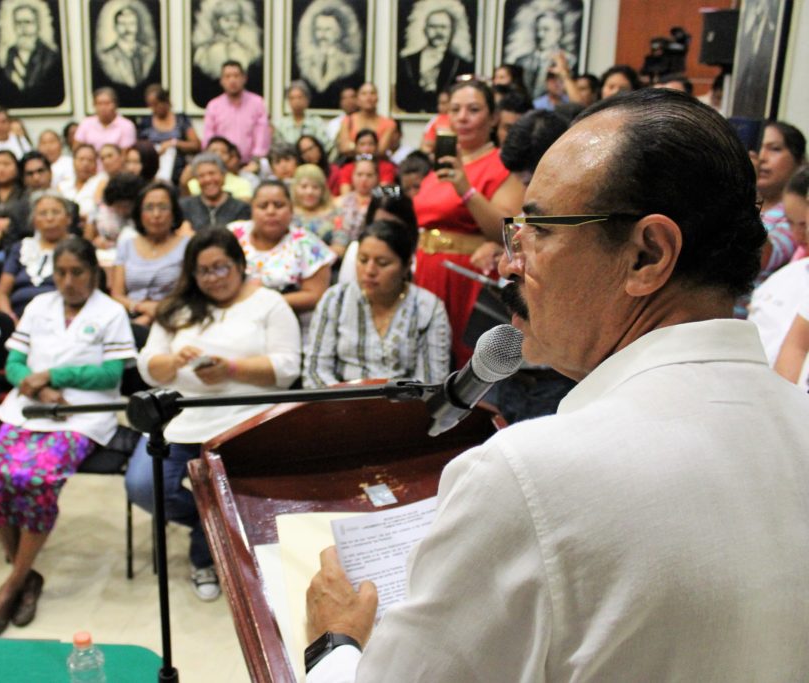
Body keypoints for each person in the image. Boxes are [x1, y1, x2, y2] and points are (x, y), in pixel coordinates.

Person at [304, 88, 809, 683]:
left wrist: (334, 642)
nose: (510, 263)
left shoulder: (528, 477)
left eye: (538, 229)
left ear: (647, 255)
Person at [127, 228, 301, 600]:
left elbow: (287, 368)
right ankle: (209, 530)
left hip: (243, 419)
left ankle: (207, 555)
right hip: (179, 419)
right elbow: (147, 366)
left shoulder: (269, 304)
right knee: (143, 486)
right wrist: (173, 362)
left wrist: (232, 370)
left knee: (230, 489)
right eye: (204, 271)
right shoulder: (177, 308)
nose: (214, 278)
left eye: (221, 267)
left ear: (240, 264)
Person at [0, 237, 135, 634]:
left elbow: (111, 375)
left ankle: (13, 583)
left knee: (36, 479)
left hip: (80, 414)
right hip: (28, 406)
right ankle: (27, 575)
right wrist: (30, 384)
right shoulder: (38, 306)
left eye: (77, 272)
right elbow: (14, 361)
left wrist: (54, 375)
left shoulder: (111, 312)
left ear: (94, 273)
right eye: (61, 273)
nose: (68, 281)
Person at [413, 78, 524, 367]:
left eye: (473, 109)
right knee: (427, 359)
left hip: (469, 277)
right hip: (427, 272)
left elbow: (509, 231)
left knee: (464, 364)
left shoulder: (499, 164)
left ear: (493, 117)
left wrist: (467, 189)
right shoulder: (442, 165)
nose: (462, 117)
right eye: (455, 109)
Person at [304, 219, 450, 388]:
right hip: (339, 406)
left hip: (403, 409)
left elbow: (431, 383)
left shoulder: (428, 307)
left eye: (382, 263)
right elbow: (315, 372)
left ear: (406, 266)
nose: (369, 271)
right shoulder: (335, 299)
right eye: (363, 260)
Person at [229, 180, 335, 326]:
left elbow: (316, 295)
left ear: (291, 209)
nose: (271, 211)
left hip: (289, 322)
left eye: (279, 205)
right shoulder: (233, 234)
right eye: (263, 206)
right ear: (252, 210)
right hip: (232, 317)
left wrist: (263, 302)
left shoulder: (308, 243)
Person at [738, 121, 806, 319]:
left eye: (774, 149)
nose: (762, 158)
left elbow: (762, 258)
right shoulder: (737, 204)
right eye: (759, 149)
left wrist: (746, 190)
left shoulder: (796, 215)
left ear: (800, 161)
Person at [110, 181, 191, 327]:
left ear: (174, 212)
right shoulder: (127, 244)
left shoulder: (187, 245)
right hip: (131, 316)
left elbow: (188, 294)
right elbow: (117, 295)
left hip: (174, 317)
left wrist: (155, 313)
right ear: (139, 213)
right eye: (149, 208)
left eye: (163, 207)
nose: (156, 214)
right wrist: (141, 307)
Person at [0, 192, 75, 323]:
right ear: (34, 221)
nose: (49, 218)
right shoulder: (21, 248)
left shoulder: (78, 248)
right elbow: (2, 293)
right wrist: (11, 320)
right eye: (43, 214)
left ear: (69, 218)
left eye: (55, 212)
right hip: (18, 320)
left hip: (60, 319)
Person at [396, 3, 475, 113]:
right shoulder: (408, 61)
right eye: (433, 26)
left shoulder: (460, 64)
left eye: (443, 27)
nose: (438, 32)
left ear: (452, 30)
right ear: (425, 29)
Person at [201, 61, 271, 168]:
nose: (232, 80)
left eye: (236, 76)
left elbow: (262, 135)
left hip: (250, 165)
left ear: (244, 78)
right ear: (221, 81)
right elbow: (208, 138)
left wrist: (255, 162)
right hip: (220, 165)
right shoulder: (213, 106)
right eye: (227, 76)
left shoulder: (257, 103)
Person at [0, 0, 62, 106]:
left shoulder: (49, 56)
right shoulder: (9, 54)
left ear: (37, 25)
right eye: (18, 23)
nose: (23, 28)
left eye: (28, 22)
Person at [137, 84, 202, 184]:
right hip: (153, 174)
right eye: (151, 105)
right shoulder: (146, 123)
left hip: (179, 173)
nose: (154, 108)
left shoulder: (181, 120)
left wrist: (173, 143)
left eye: (157, 104)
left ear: (166, 101)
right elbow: (139, 148)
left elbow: (196, 145)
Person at [297, 6, 360, 97]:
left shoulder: (348, 62)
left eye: (328, 30)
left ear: (339, 32)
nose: (322, 35)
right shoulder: (306, 61)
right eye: (319, 29)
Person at [192, 0, 262, 81]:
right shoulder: (205, 50)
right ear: (217, 22)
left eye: (236, 20)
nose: (232, 25)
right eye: (227, 20)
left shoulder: (246, 49)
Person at [180, 153, 251, 232]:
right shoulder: (185, 207)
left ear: (223, 175)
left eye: (212, 173)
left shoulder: (240, 209)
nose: (207, 179)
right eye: (201, 175)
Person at [97, 3, 155, 87]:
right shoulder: (106, 56)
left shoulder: (148, 52)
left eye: (131, 24)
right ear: (115, 27)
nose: (127, 29)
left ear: (137, 26)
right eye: (122, 24)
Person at [333, 156, 380, 258]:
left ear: (377, 178)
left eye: (369, 175)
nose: (364, 179)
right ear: (352, 176)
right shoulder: (339, 202)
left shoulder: (381, 204)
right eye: (359, 174)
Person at [335, 84, 396, 160]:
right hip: (351, 165)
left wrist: (354, 146)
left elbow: (381, 150)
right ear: (357, 99)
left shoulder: (389, 124)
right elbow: (344, 147)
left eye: (372, 93)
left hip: (378, 166)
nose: (368, 97)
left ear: (377, 98)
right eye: (364, 94)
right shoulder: (347, 120)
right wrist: (371, 147)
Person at [185, 137, 254, 201]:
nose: (218, 154)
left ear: (230, 156)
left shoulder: (242, 183)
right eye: (214, 151)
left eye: (223, 152)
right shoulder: (192, 183)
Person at [74, 88, 137, 155]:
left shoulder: (127, 125)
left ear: (115, 105)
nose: (103, 108)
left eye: (107, 103)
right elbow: (76, 149)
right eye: (99, 104)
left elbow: (125, 154)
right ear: (94, 105)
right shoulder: (86, 123)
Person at [291, 163, 339, 246]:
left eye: (315, 187)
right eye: (304, 187)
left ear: (323, 190)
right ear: (295, 188)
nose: (309, 192)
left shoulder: (335, 213)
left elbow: (340, 246)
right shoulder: (287, 214)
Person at [58, 144, 104, 226]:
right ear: (73, 162)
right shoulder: (62, 185)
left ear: (96, 164)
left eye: (90, 160)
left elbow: (98, 209)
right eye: (81, 159)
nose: (85, 164)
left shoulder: (101, 182)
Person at [274, 81, 331, 148]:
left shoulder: (317, 123)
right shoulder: (280, 124)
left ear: (307, 100)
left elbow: (325, 145)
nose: (296, 102)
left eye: (300, 97)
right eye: (292, 98)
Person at [325, 87, 359, 157]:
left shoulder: (365, 120)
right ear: (340, 102)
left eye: (352, 97)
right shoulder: (333, 124)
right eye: (345, 98)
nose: (349, 101)